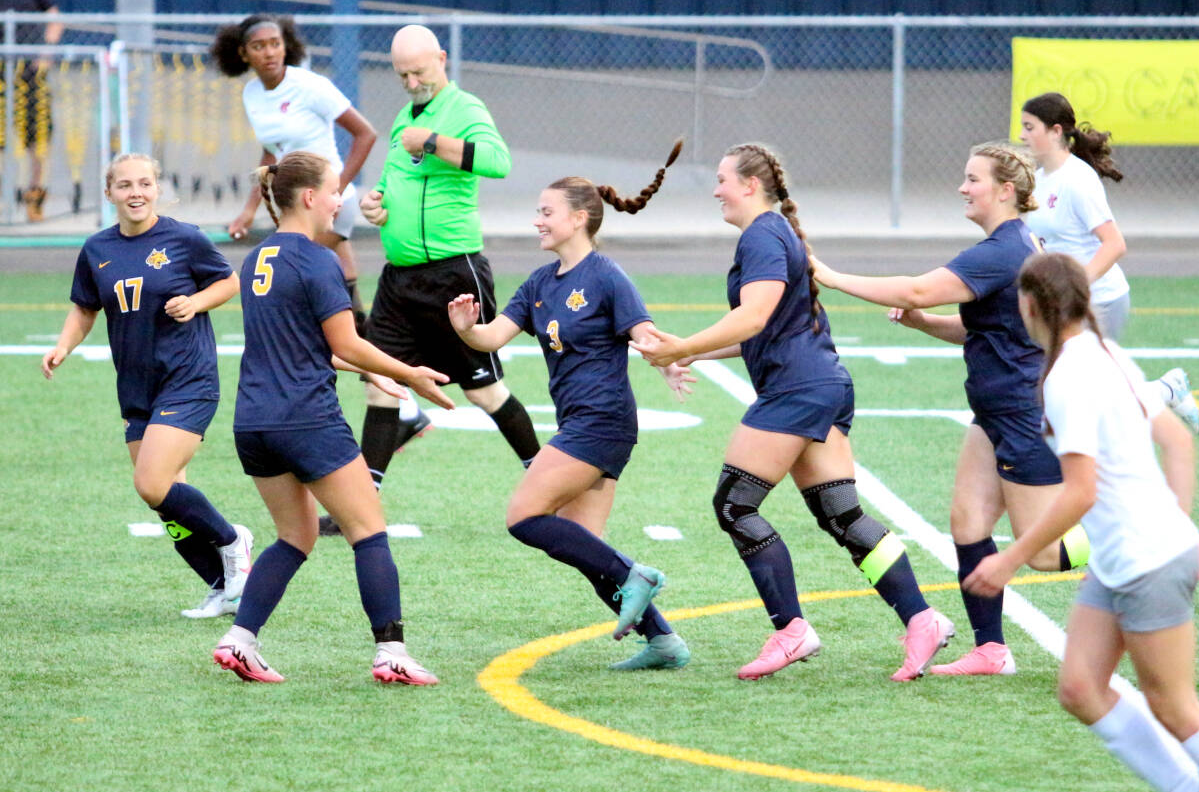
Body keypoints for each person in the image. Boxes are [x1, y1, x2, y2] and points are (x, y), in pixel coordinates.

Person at [632, 143, 953, 682]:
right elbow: (762, 330)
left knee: (735, 505)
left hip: (798, 389)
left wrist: (681, 345)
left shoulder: (761, 234)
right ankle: (922, 619)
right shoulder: (774, 233)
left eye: (722, 180)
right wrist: (684, 350)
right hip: (821, 383)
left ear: (751, 185)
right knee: (843, 515)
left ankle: (791, 630)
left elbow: (753, 318)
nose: (716, 191)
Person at [964, 251, 1199, 792]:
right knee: (1080, 688)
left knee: (1175, 707)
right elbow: (1179, 441)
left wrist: (1009, 559)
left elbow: (1081, 492)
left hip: (1146, 560)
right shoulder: (1103, 351)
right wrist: (1177, 520)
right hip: (1123, 560)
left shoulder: (1070, 376)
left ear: (1028, 305)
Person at [809, 142, 1086, 677]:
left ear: (1005, 190)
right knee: (967, 522)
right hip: (992, 414)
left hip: (1023, 415)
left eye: (972, 179)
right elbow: (982, 328)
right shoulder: (1006, 248)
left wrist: (832, 277)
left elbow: (919, 288)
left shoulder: (1002, 250)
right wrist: (922, 324)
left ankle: (1150, 541)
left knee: (1043, 554)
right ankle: (990, 649)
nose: (963, 188)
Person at [212, 151, 455, 685]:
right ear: (308, 198)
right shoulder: (318, 259)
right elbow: (344, 340)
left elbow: (304, 344)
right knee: (368, 530)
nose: (341, 197)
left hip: (253, 423)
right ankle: (391, 653)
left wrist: (372, 374)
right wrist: (408, 371)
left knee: (294, 536)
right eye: (334, 189)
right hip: (307, 420)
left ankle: (239, 640)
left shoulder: (257, 259)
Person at [447, 144, 694, 670]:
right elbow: (493, 338)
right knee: (585, 547)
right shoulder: (539, 283)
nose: (537, 220)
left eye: (546, 212)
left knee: (523, 517)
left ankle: (636, 576)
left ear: (579, 219)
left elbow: (644, 333)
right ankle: (663, 641)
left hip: (602, 422)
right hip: (581, 422)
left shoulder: (606, 275)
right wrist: (467, 329)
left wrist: (669, 360)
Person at [211, 14, 431, 538]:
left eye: (276, 43)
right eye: (259, 46)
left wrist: (334, 195)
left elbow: (365, 132)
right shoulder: (253, 97)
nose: (270, 52)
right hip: (304, 201)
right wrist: (249, 208)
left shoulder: (308, 85)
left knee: (328, 309)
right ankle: (403, 402)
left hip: (323, 201)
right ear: (243, 54)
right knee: (339, 300)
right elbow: (271, 155)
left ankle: (401, 396)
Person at [41, 153, 252, 619]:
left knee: (152, 481)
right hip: (137, 387)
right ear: (109, 192)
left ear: (157, 188)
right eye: (124, 185)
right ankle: (222, 587)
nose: (135, 192)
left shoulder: (185, 238)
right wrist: (63, 346)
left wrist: (194, 303)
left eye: (144, 183)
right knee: (163, 497)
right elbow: (85, 308)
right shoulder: (97, 249)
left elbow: (228, 283)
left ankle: (235, 540)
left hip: (188, 378)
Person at [358, 24, 540, 495]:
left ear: (441, 58)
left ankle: (546, 480)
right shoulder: (404, 117)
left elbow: (499, 161)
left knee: (483, 391)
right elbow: (394, 182)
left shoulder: (465, 108)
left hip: (452, 274)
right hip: (399, 280)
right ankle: (359, 501)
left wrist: (434, 141)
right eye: (402, 76)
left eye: (419, 72)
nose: (412, 83)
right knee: (380, 382)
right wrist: (377, 206)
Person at [1019, 91, 1199, 432]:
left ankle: (1166, 390)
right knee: (1066, 391)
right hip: (1060, 303)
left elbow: (1114, 244)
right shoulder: (1040, 180)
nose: (1023, 135)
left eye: (1030, 127)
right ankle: (1165, 390)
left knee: (1081, 396)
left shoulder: (1078, 179)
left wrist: (1073, 287)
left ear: (1056, 131)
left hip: (1098, 301)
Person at [0, 0, 64, 221]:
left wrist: (45, 53)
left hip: (28, 73)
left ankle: (34, 195)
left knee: (36, 137)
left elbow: (54, 17)